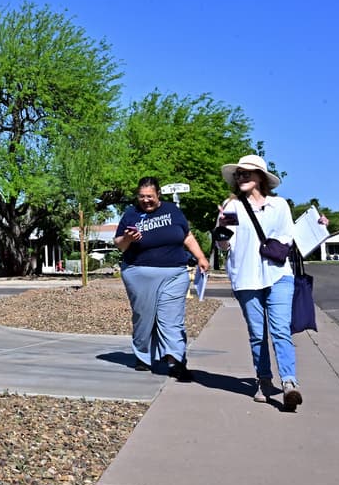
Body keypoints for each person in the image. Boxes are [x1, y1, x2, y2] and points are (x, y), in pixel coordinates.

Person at [214, 154, 303, 411]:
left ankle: (289, 383)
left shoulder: (280, 205)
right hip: (245, 277)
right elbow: (224, 245)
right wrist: (221, 230)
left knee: (280, 330)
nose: (241, 177)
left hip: (278, 274)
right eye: (239, 174)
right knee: (257, 334)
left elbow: (288, 238)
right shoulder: (231, 206)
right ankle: (263, 380)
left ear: (260, 178)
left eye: (247, 173)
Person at [114, 177, 211, 381]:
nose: (146, 200)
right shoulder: (131, 214)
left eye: (150, 196)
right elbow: (120, 244)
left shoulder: (173, 211)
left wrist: (201, 257)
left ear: (158, 195)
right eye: (142, 196)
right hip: (138, 272)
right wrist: (129, 238)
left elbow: (187, 236)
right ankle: (143, 355)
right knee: (144, 316)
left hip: (174, 273)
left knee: (172, 319)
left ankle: (176, 361)